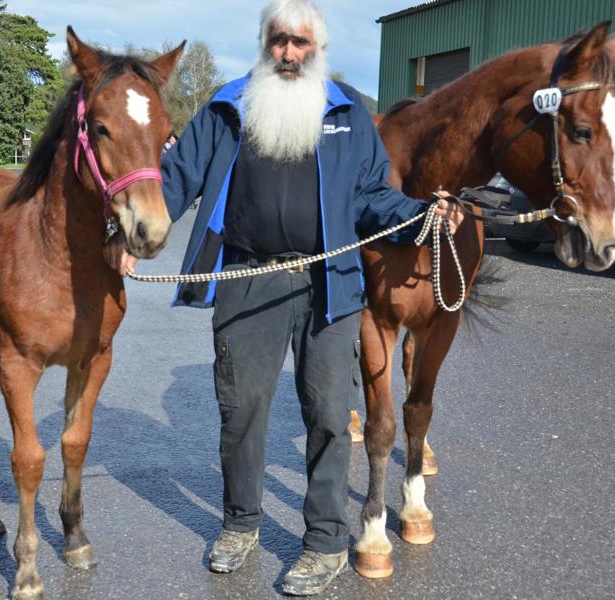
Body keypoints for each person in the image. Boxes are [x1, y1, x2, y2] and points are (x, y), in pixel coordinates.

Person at [109, 0, 461, 594]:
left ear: (318, 48)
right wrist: (123, 230)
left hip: (331, 283)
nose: (290, 52)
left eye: (302, 42)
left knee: (327, 415)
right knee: (240, 412)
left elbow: (375, 196)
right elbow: (175, 180)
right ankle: (240, 523)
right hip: (247, 278)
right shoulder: (228, 107)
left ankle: (324, 541)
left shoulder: (348, 113)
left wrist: (426, 215)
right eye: (280, 41)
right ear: (265, 43)